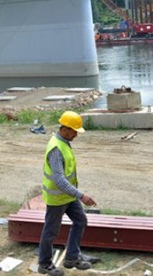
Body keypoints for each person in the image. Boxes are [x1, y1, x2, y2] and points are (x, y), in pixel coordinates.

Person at [38, 111, 96, 276]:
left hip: (68, 196)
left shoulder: (64, 142)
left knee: (80, 220)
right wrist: (81, 195)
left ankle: (71, 258)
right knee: (51, 232)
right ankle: (44, 264)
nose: (76, 135)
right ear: (64, 129)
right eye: (74, 131)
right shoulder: (56, 149)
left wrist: (75, 195)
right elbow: (59, 180)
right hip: (57, 198)